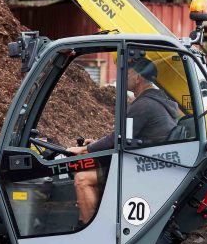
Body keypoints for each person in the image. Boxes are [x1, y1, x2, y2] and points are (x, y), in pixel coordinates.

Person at [65, 66, 187, 225]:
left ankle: (92, 234)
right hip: (146, 162)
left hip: (142, 167)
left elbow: (119, 138)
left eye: (127, 74)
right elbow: (124, 136)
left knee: (82, 179)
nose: (123, 78)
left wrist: (84, 149)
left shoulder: (145, 104)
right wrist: (95, 145)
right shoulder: (156, 102)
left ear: (138, 78)